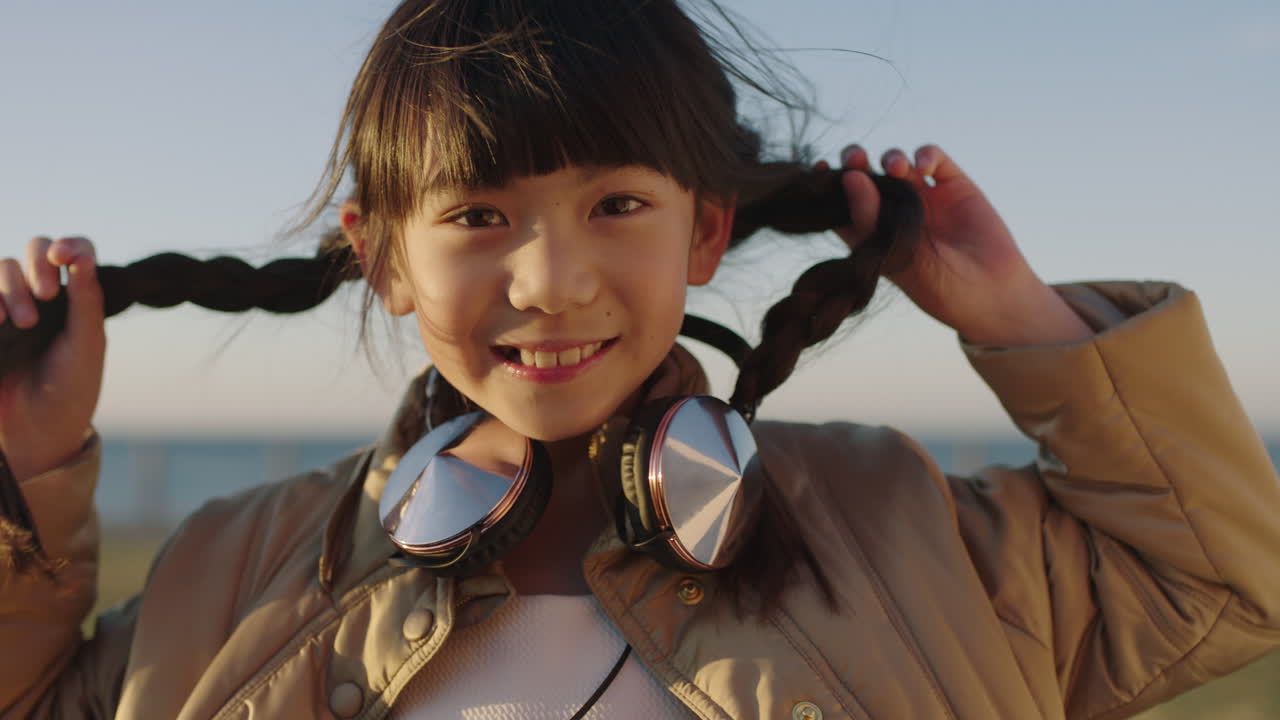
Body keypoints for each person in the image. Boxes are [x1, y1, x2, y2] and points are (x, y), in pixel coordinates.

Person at [2, 0, 1278, 717]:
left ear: (705, 228)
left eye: (616, 205)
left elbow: (1227, 580)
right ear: (381, 254)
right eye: (477, 214)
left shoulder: (902, 530)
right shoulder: (230, 573)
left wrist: (1014, 317)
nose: (551, 281)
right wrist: (27, 461)